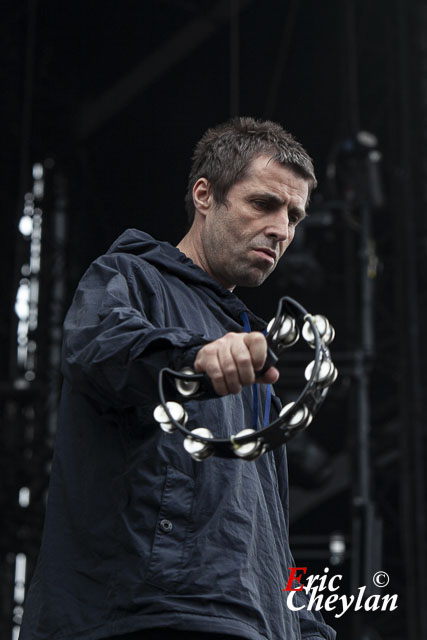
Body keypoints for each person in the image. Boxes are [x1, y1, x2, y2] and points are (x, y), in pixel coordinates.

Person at [20, 117, 336, 640]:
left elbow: (264, 528)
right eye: (264, 204)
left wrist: (301, 628)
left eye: (295, 215)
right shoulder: (127, 276)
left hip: (247, 622)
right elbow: (101, 351)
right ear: (205, 195)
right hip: (150, 615)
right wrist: (195, 358)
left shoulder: (255, 361)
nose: (282, 230)